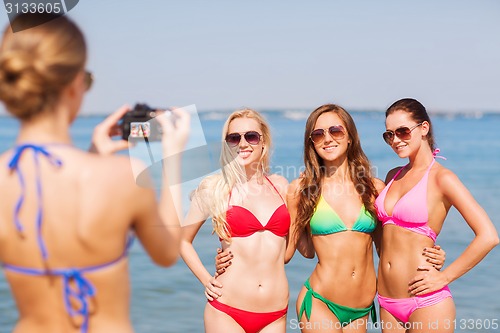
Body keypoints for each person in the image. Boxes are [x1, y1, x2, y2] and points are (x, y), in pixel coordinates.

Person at [0, 13, 190, 333]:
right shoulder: (120, 177)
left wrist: (91, 155)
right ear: (75, 84)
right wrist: (173, 158)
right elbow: (167, 252)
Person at [215, 104, 445, 333]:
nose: (327, 139)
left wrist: (426, 255)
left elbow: (387, 246)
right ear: (311, 143)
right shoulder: (302, 189)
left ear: (349, 137)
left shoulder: (374, 188)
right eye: (318, 134)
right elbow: (292, 252)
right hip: (319, 301)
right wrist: (234, 255)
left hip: (362, 308)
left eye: (335, 131)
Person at [375, 98, 499, 332]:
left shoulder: (443, 179)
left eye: (402, 131)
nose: (396, 140)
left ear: (424, 128)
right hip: (387, 302)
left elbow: (488, 236)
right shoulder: (392, 175)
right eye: (389, 135)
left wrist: (445, 276)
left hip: (426, 302)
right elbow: (386, 237)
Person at [180, 108, 290, 333]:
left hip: (275, 314)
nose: (243, 143)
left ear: (263, 141)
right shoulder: (215, 188)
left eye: (251, 136)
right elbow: (182, 241)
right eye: (234, 138)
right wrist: (206, 279)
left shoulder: (281, 186)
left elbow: (286, 251)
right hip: (227, 310)